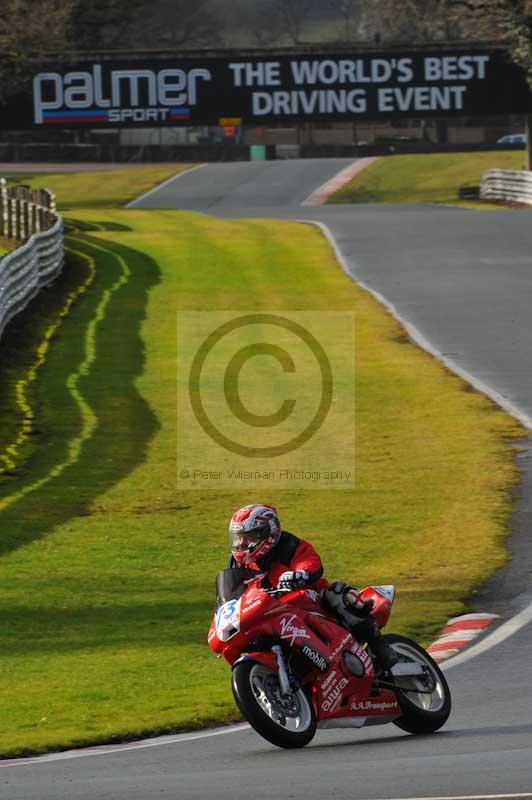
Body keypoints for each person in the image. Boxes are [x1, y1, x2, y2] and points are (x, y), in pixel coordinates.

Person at [228, 503, 398, 671]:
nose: (241, 542)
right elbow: (232, 597)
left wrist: (300, 574)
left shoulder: (288, 545)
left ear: (267, 533)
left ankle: (380, 647)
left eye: (248, 537)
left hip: (311, 599)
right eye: (239, 537)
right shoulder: (238, 566)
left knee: (337, 593)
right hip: (272, 614)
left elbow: (310, 562)